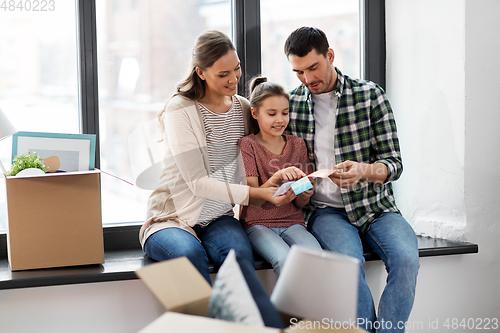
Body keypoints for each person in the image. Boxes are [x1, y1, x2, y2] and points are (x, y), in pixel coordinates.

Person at [139, 30, 292, 328]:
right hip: (171, 218)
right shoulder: (180, 109)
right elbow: (197, 183)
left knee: (238, 258)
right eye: (224, 73)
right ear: (201, 73)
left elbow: (270, 137)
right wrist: (260, 195)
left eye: (236, 68)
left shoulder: (244, 108)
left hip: (218, 217)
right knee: (189, 255)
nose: (234, 78)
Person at [283, 27, 420, 333]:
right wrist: (298, 188)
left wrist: (363, 171)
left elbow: (394, 165)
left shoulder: (370, 96)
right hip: (326, 212)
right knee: (348, 264)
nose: (307, 79)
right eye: (298, 72)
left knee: (407, 260)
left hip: (375, 207)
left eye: (313, 67)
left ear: (330, 56)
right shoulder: (290, 106)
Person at [238, 76, 323, 277]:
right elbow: (253, 197)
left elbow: (301, 204)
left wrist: (306, 192)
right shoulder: (248, 145)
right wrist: (277, 176)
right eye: (272, 113)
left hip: (293, 222)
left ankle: (310, 309)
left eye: (285, 113)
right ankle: (287, 309)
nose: (280, 120)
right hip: (258, 224)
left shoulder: (298, 145)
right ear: (255, 113)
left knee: (317, 258)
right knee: (284, 259)